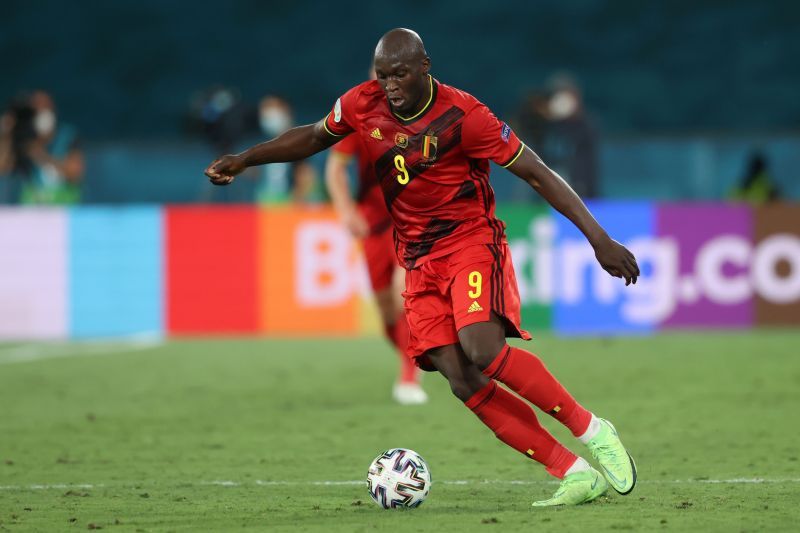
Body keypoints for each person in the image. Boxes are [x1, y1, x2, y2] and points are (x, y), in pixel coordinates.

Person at [205, 28, 640, 507]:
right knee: (458, 376)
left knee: (483, 350)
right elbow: (310, 137)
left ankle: (592, 429)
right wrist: (245, 159)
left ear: (424, 67)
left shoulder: (465, 115)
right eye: (383, 74)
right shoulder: (360, 103)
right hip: (415, 256)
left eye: (400, 73)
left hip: (470, 242)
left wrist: (599, 239)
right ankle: (572, 471)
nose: (389, 84)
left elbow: (536, 171)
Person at [324, 87, 427, 405]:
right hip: (372, 224)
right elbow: (335, 168)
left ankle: (409, 378)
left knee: (401, 294)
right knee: (384, 307)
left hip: (408, 222)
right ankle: (423, 358)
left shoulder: (423, 121)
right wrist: (345, 209)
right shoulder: (362, 122)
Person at [0, 90, 83, 204]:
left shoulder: (67, 136)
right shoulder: (24, 139)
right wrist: (6, 133)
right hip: (32, 210)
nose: (40, 111)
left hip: (65, 208)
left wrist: (41, 156)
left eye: (44, 106)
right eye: (36, 107)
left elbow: (75, 174)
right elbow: (3, 168)